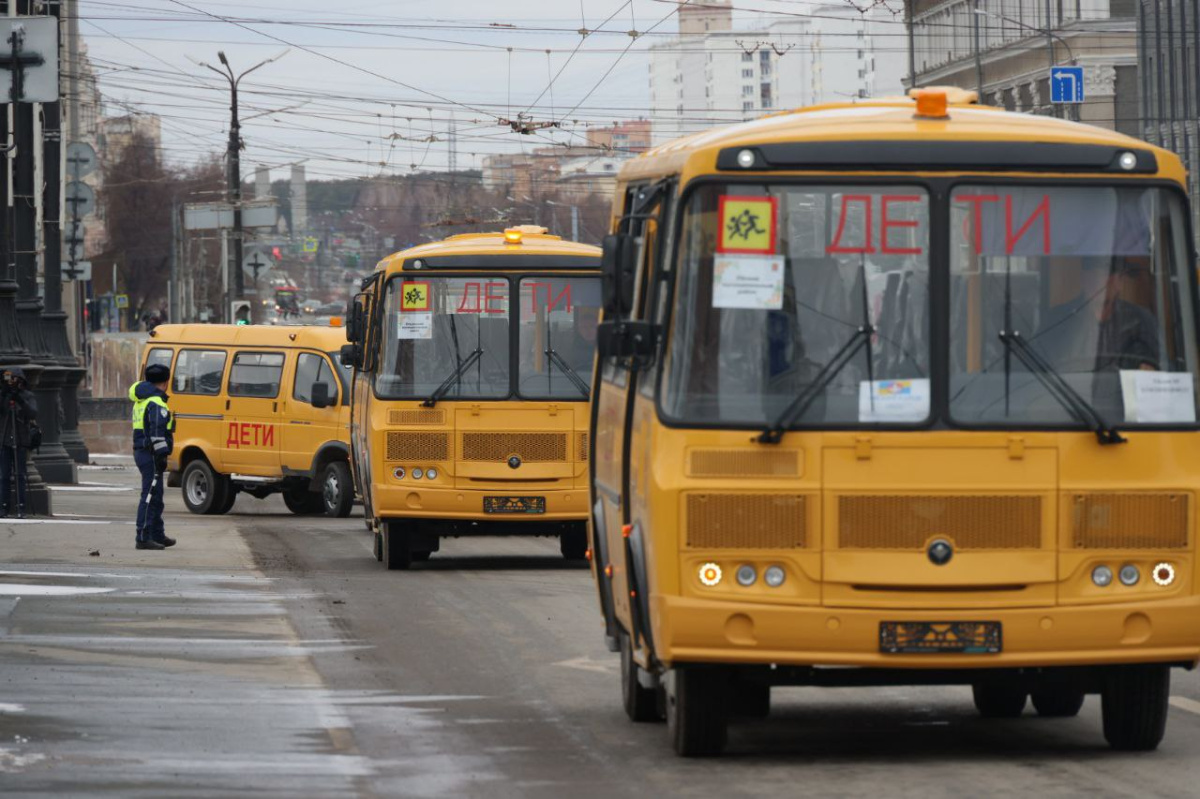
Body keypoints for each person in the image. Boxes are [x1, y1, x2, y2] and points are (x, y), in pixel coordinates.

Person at [130, 363, 176, 550]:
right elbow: (157, 432)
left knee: (156, 495)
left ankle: (157, 534)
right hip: (150, 454)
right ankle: (142, 537)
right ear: (166, 382)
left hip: (142, 451)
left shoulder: (141, 399)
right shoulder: (157, 402)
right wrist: (162, 455)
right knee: (149, 495)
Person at [0, 367, 37, 518]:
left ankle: (21, 507)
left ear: (20, 380)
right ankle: (4, 507)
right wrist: (4, 394)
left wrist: (20, 399)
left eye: (14, 379)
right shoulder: (4, 395)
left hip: (21, 440)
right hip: (4, 440)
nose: (11, 382)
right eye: (9, 378)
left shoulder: (27, 396)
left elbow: (33, 413)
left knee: (20, 475)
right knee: (4, 476)